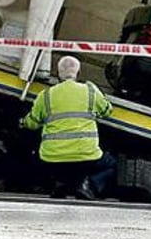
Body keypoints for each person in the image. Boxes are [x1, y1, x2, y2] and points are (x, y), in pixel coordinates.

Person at [20, 55, 116, 200]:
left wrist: (22, 122)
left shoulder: (45, 95)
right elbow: (107, 111)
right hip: (86, 155)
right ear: (78, 73)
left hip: (52, 157)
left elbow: (32, 123)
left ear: (58, 74)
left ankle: (60, 184)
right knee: (109, 163)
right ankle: (87, 185)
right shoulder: (89, 90)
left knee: (39, 157)